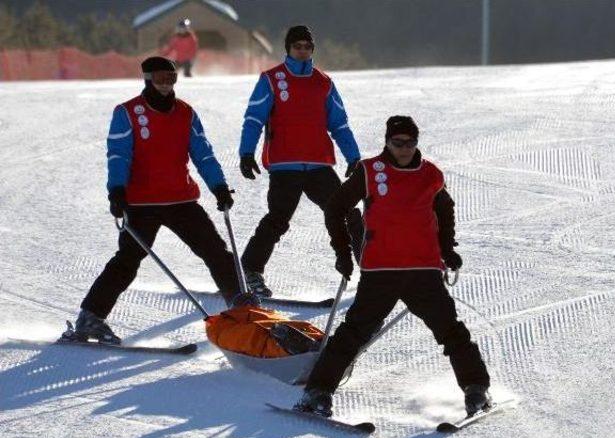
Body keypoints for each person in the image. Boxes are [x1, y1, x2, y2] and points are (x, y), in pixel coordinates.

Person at [294, 116, 492, 417]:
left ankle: (476, 390)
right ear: (387, 141)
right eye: (398, 143)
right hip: (380, 271)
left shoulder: (431, 174)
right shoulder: (370, 171)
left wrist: (447, 249)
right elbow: (336, 208)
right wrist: (342, 252)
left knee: (451, 331)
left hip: (423, 270)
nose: (404, 149)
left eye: (410, 143)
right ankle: (317, 393)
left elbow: (445, 211)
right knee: (353, 333)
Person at [68, 56, 253, 344]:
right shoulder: (127, 113)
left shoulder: (185, 113)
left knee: (216, 251)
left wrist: (219, 186)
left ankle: (241, 308)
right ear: (147, 79)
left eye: (171, 78)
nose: (166, 84)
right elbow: (118, 155)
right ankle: (90, 318)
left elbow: (202, 154)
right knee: (127, 261)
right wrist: (116, 191)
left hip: (181, 200)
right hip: (141, 204)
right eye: (160, 78)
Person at [238, 25, 364, 297]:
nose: (303, 51)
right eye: (298, 47)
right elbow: (253, 119)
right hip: (285, 165)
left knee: (349, 212)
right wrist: (246, 153)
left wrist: (353, 157)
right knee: (278, 219)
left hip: (319, 165)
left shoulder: (323, 83)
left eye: (307, 47)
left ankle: (371, 267)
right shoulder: (272, 80)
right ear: (289, 49)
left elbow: (339, 124)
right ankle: (250, 270)